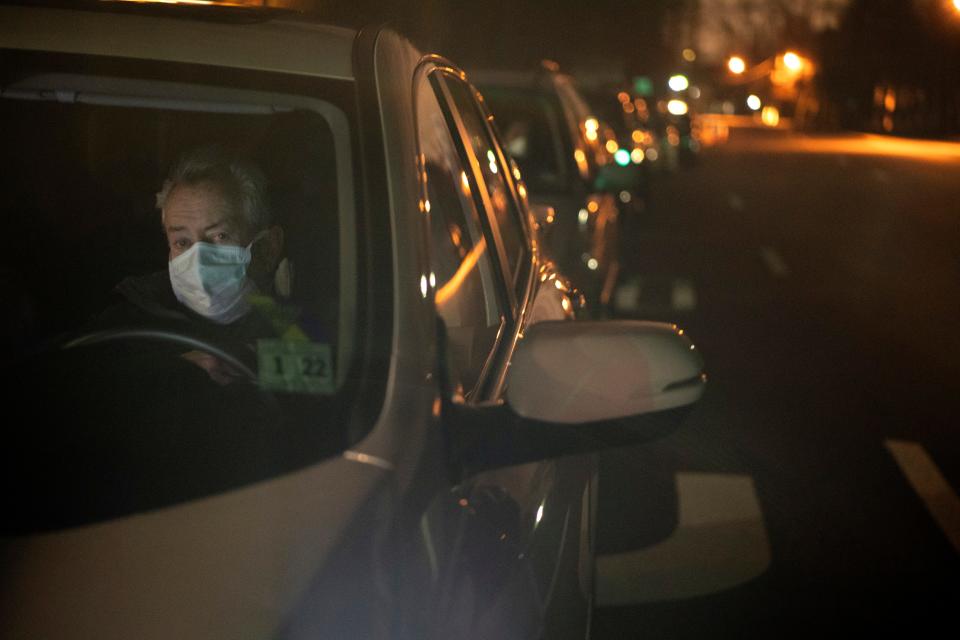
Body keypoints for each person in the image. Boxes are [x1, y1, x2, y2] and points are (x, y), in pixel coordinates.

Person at [97, 145, 288, 383]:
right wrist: (179, 369)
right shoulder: (134, 311)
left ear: (267, 246)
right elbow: (88, 374)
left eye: (220, 236)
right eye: (182, 242)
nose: (198, 259)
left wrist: (248, 360)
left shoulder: (280, 310)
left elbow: (327, 368)